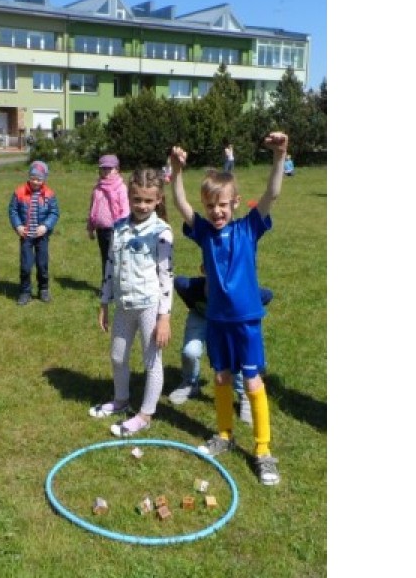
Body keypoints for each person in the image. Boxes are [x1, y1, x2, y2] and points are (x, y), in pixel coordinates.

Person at [169, 131, 289, 486]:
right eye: (210, 206)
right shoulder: (204, 232)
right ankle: (223, 434)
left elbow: (273, 194)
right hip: (217, 320)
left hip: (246, 322)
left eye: (222, 205)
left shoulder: (249, 228)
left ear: (236, 203)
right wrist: (176, 171)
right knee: (221, 376)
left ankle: (263, 451)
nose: (216, 211)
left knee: (251, 381)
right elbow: (180, 205)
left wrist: (280, 156)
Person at [89, 169, 173, 437]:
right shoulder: (119, 227)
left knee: (152, 361)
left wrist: (164, 317)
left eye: (148, 201)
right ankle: (121, 399)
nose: (142, 206)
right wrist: (104, 302)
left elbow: (166, 275)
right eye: (137, 199)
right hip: (124, 305)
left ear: (159, 199)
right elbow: (110, 266)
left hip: (149, 305)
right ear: (129, 196)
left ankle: (145, 414)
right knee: (117, 356)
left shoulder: (161, 232)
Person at [169, 272, 275, 425]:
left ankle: (244, 395)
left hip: (228, 319)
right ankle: (190, 383)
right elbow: (178, 283)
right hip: (201, 317)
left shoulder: (239, 291)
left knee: (236, 358)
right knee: (190, 351)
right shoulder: (190, 286)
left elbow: (267, 295)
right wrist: (192, 305)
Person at [8, 160, 60, 305]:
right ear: (29, 177)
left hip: (42, 236)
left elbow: (54, 213)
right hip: (26, 236)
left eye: (39, 179)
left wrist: (45, 226)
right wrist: (18, 226)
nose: (35, 182)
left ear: (44, 179)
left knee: (42, 264)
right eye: (33, 178)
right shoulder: (19, 192)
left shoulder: (49, 194)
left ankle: (43, 289)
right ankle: (25, 291)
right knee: (25, 265)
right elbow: (12, 210)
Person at [86, 154, 130, 284]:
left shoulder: (121, 187)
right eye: (103, 169)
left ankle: (120, 285)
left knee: (117, 259)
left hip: (116, 230)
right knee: (105, 258)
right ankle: (107, 286)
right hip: (101, 230)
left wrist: (123, 228)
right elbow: (93, 208)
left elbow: (125, 210)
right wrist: (90, 227)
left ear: (117, 169)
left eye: (109, 169)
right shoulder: (97, 188)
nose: (106, 171)